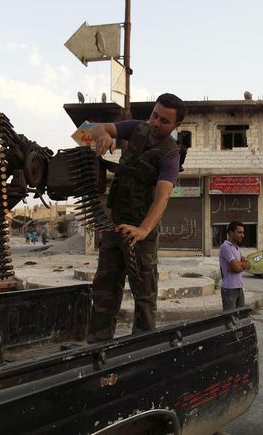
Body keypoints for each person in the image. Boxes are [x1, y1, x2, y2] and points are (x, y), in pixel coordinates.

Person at [87, 93, 187, 343]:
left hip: (141, 233)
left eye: (164, 121)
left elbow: (162, 196)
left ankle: (142, 350)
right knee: (104, 290)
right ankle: (97, 347)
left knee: (144, 296)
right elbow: (86, 131)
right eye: (155, 115)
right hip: (113, 225)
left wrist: (142, 230)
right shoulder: (135, 128)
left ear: (176, 126)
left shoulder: (170, 154)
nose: (155, 123)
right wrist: (101, 134)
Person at [219, 221, 251, 310]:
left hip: (239, 288)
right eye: (240, 232)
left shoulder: (237, 247)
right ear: (231, 233)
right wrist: (239, 265)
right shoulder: (225, 247)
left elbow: (249, 264)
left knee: (240, 318)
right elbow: (236, 268)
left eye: (243, 232)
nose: (243, 235)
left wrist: (237, 265)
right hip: (229, 289)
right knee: (230, 320)